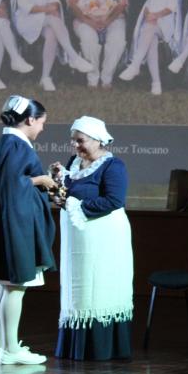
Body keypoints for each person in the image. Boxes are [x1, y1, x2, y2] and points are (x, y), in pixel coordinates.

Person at [0, 95, 58, 365]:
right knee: (15, 287)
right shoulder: (16, 145)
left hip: (8, 221)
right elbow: (15, 185)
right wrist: (42, 180)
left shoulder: (6, 142)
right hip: (17, 225)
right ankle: (10, 348)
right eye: (42, 122)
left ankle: (4, 346)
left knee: (6, 287)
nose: (42, 129)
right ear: (30, 119)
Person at [51, 116, 133, 361]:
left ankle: (101, 348)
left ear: (98, 140)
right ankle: (75, 347)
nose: (76, 146)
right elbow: (66, 195)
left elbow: (114, 201)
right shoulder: (73, 163)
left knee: (99, 289)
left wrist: (75, 205)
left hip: (105, 237)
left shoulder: (112, 165)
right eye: (73, 141)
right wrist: (57, 183)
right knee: (79, 290)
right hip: (78, 240)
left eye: (80, 140)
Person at [11, 0, 94, 92]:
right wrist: (47, 9)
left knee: (52, 34)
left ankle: (45, 77)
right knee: (53, 20)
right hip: (25, 20)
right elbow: (25, 7)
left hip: (42, 19)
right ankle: (73, 57)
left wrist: (54, 6)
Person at [117, 0, 179, 95]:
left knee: (149, 28)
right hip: (149, 21)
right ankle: (155, 83)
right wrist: (147, 13)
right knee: (150, 34)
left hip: (168, 22)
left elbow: (174, 5)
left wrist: (156, 14)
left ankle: (136, 65)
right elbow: (141, 3)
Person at [67, 0, 128, 89]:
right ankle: (93, 79)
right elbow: (71, 2)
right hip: (85, 19)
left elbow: (122, 3)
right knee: (89, 40)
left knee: (118, 40)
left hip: (113, 18)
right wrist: (88, 20)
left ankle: (107, 78)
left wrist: (108, 20)